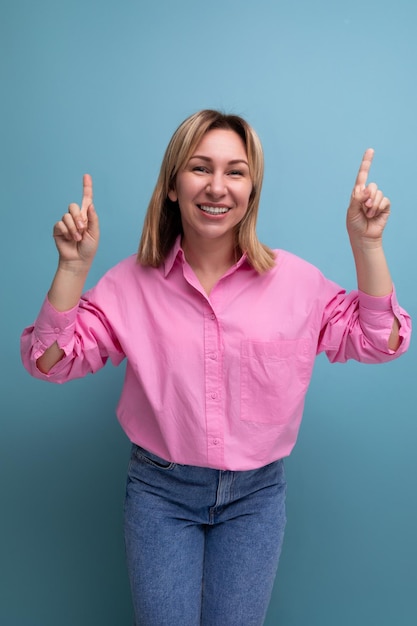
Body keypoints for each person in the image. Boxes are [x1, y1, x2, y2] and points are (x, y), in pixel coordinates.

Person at [21, 109, 411, 626]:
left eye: (236, 171)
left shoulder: (296, 282)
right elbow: (49, 363)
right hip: (160, 493)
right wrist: (72, 268)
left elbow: (380, 341)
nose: (218, 186)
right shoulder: (128, 284)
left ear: (252, 189)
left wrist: (368, 246)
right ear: (173, 186)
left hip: (256, 498)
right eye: (201, 168)